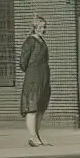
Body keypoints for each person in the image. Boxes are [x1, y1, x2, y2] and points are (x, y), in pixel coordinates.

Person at [19, 16, 52, 146]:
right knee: (32, 107)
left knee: (40, 107)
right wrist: (33, 71)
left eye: (44, 27)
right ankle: (32, 137)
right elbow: (23, 62)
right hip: (33, 77)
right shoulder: (30, 41)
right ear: (35, 27)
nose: (43, 30)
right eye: (41, 27)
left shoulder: (42, 41)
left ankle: (37, 136)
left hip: (43, 77)